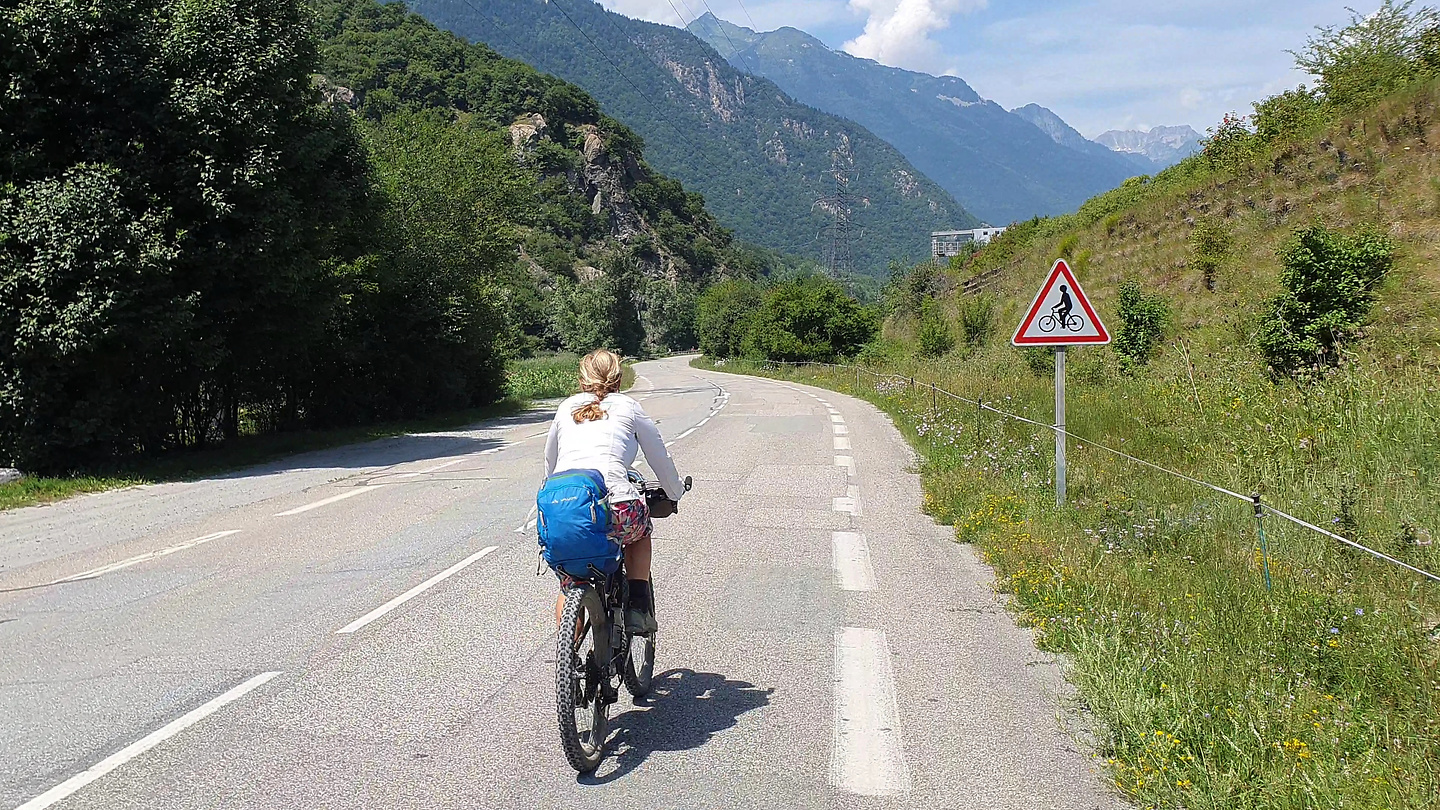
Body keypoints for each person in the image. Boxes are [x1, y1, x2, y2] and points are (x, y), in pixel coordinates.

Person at [543, 349, 685, 634]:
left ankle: (568, 660)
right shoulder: (628, 406)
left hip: (564, 510)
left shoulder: (565, 407)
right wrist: (675, 492)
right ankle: (637, 609)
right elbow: (658, 457)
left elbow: (551, 464)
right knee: (639, 534)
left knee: (570, 579)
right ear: (619, 379)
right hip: (618, 504)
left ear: (582, 380)